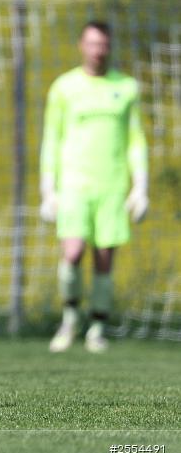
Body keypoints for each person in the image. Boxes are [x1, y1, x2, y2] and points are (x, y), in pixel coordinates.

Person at [40, 20, 148, 354]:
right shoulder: (64, 87)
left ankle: (97, 327)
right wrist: (48, 190)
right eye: (92, 44)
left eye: (103, 44)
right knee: (72, 253)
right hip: (74, 184)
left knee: (104, 259)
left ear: (110, 47)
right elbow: (51, 140)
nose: (97, 50)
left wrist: (140, 187)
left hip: (112, 184)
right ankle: (70, 319)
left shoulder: (127, 87)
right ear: (81, 45)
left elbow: (136, 141)